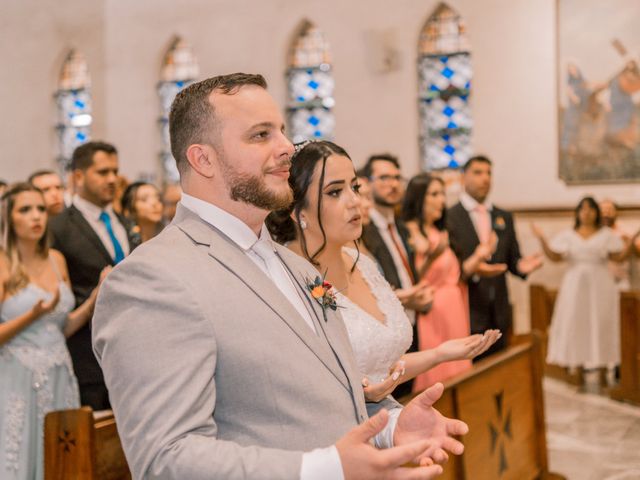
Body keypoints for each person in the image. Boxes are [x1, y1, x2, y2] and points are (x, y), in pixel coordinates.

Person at [92, 73, 469, 480]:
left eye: (282, 132)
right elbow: (165, 459)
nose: (287, 147)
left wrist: (390, 427)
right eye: (260, 135)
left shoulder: (296, 266)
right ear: (203, 159)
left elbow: (322, 393)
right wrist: (327, 469)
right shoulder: (153, 279)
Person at [267, 141, 500, 402]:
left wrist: (440, 354)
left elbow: (381, 368)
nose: (355, 201)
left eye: (354, 188)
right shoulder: (286, 279)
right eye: (334, 192)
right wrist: (358, 394)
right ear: (297, 210)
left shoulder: (363, 265)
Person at [0, 183, 105, 479]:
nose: (36, 217)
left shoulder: (56, 260)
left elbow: (63, 327)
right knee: (20, 453)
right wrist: (33, 315)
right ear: (9, 218)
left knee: (61, 459)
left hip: (60, 372)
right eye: (25, 210)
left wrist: (94, 298)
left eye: (40, 209)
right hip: (17, 377)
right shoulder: (3, 264)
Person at [49, 141, 138, 410]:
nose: (112, 179)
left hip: (133, 356)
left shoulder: (124, 224)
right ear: (78, 176)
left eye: (115, 171)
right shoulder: (59, 227)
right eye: (102, 172)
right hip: (87, 359)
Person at [401, 173, 499, 390]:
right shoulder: (409, 230)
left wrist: (481, 255)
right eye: (434, 194)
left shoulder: (440, 230)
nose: (441, 201)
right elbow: (411, 276)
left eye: (442, 194)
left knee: (459, 367)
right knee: (438, 372)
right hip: (433, 311)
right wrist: (431, 258)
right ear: (418, 197)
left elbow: (457, 272)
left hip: (455, 304)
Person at [532, 197, 637, 385]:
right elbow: (555, 257)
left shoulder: (606, 234)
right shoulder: (569, 235)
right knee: (577, 323)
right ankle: (577, 371)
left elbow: (619, 256)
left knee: (602, 323)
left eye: (591, 209)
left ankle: (605, 370)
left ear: (596, 212)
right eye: (583, 209)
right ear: (578, 213)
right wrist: (542, 240)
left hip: (601, 284)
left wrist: (632, 241)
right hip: (575, 285)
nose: (587, 212)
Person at [447, 155, 542, 360]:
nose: (485, 179)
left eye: (489, 173)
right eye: (478, 173)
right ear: (463, 177)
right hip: (467, 307)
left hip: (499, 310)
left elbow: (512, 259)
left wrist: (521, 267)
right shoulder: (450, 217)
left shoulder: (503, 216)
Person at [359, 153, 434, 395]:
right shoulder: (364, 231)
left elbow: (407, 272)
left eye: (396, 178)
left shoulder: (401, 226)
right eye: (384, 178)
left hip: (412, 324)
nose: (392, 184)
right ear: (367, 183)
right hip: (385, 335)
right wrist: (403, 298)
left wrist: (419, 294)